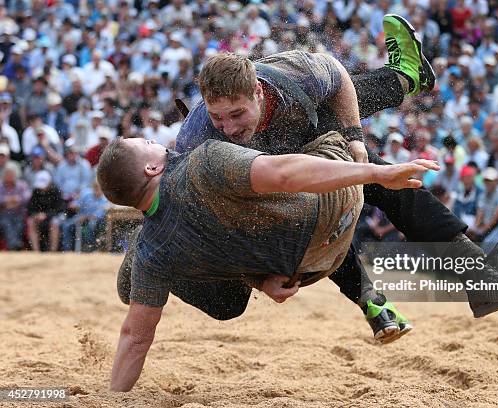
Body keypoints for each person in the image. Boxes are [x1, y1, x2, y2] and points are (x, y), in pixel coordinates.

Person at [117, 14, 498, 346]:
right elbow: (202, 221)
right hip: (249, 194)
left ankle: (482, 283)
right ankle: (406, 77)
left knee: (390, 182)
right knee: (234, 301)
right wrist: (257, 279)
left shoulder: (292, 75)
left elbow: (339, 78)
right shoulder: (201, 142)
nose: (228, 127)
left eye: (237, 115)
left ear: (259, 94)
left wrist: (357, 141)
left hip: (307, 143)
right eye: (218, 117)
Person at [98, 131, 438, 392]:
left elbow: (135, 338)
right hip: (331, 214)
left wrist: (113, 398)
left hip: (305, 271)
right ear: (152, 166)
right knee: (313, 102)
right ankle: (402, 78)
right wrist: (377, 173)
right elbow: (285, 174)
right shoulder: (202, 163)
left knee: (165, 260)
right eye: (147, 142)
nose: (155, 140)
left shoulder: (151, 255)